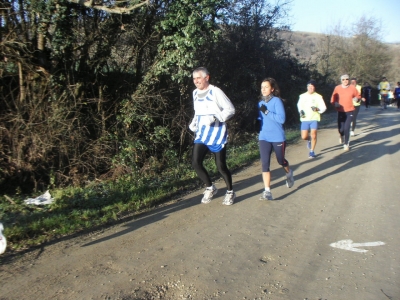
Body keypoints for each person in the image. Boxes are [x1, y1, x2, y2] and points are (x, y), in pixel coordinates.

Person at [189, 67, 236, 205]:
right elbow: (197, 111)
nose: (196, 81)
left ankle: (230, 192)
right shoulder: (195, 93)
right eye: (194, 78)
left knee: (220, 166)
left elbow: (230, 109)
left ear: (207, 78)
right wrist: (194, 122)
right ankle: (210, 187)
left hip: (217, 133)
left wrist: (217, 118)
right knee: (195, 162)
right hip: (202, 133)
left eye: (198, 78)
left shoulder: (215, 91)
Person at [256, 77, 294, 201]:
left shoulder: (277, 101)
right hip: (264, 137)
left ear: (272, 89)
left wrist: (267, 112)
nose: (263, 89)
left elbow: (281, 119)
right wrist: (257, 122)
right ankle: (267, 191)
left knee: (281, 161)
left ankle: (289, 173)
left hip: (277, 137)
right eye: (262, 87)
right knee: (265, 163)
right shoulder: (260, 103)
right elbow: (261, 118)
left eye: (266, 87)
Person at [297, 80, 327, 158]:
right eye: (309, 86)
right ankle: (309, 139)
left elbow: (323, 107)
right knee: (304, 137)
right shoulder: (302, 96)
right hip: (304, 119)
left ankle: (312, 151)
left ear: (314, 87)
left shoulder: (318, 96)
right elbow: (299, 105)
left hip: (314, 118)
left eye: (312, 86)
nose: (310, 88)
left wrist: (317, 109)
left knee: (314, 135)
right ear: (307, 87)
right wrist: (300, 111)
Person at [330, 74, 360, 151]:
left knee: (347, 128)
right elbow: (333, 99)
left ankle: (346, 144)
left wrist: (357, 98)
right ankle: (341, 135)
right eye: (343, 79)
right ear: (341, 80)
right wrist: (335, 103)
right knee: (341, 129)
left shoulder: (352, 88)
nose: (345, 81)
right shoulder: (337, 88)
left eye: (347, 79)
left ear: (348, 80)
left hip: (349, 110)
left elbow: (358, 96)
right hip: (340, 111)